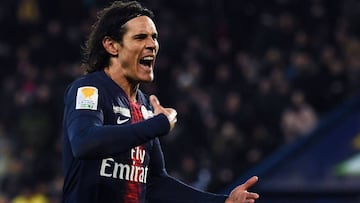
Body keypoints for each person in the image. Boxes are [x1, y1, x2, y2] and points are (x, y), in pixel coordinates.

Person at [61, 1, 259, 203]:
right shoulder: (89, 89)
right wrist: (158, 124)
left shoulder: (145, 106)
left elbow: (155, 183)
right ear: (112, 46)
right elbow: (84, 141)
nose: (151, 44)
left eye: (154, 37)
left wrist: (222, 202)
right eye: (140, 37)